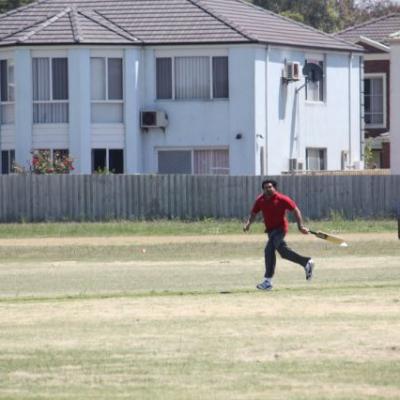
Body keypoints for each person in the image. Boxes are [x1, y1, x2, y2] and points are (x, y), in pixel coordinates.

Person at [243, 179, 314, 291]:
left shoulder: (282, 199)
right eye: (265, 188)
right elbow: (254, 213)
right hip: (270, 231)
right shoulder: (260, 200)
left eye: (270, 187)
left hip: (280, 229)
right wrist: (248, 223)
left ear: (275, 188)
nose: (268, 189)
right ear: (263, 189)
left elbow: (296, 210)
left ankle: (267, 281)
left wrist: (300, 226)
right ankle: (306, 262)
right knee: (282, 252)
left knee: (269, 250)